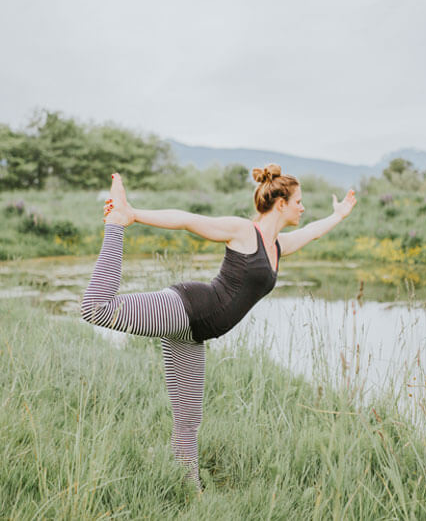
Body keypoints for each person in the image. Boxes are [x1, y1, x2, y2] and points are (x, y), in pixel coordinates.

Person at [81, 164, 357, 489]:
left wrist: (339, 216)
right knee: (97, 309)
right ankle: (115, 224)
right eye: (298, 201)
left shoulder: (278, 247)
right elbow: (188, 220)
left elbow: (313, 231)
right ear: (280, 203)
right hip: (188, 307)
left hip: (194, 335)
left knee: (188, 421)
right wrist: (132, 214)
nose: (303, 207)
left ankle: (190, 492)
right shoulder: (243, 231)